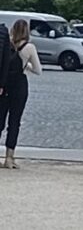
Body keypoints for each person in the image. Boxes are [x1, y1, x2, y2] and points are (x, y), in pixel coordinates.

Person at [0, 19, 42, 169]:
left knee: (0, 120)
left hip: (4, 85)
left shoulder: (7, 43)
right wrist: (26, 65)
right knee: (14, 122)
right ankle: (9, 158)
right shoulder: (29, 47)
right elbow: (38, 70)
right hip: (19, 86)